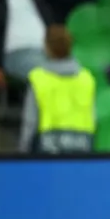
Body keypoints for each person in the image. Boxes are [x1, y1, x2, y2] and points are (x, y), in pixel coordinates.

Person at [20, 25, 96, 154]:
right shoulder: (86, 79)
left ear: (47, 48)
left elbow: (30, 123)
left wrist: (23, 152)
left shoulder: (38, 78)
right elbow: (93, 116)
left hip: (47, 146)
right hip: (82, 145)